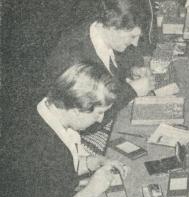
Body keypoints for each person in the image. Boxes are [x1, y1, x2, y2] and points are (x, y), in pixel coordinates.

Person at [0, 63, 129, 197]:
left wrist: (91, 162)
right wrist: (92, 189)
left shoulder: (45, 109)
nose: (101, 119)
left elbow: (56, 170)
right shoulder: (40, 150)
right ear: (77, 110)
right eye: (98, 113)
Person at [44, 0, 155, 154]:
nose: (135, 44)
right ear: (114, 27)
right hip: (79, 136)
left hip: (100, 119)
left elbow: (112, 67)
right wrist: (131, 90)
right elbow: (90, 121)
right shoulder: (74, 56)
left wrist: (131, 70)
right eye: (132, 36)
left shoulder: (99, 32)